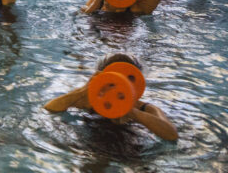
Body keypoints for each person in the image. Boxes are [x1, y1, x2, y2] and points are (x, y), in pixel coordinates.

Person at [43, 53, 178, 141]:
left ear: (136, 84)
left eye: (126, 81)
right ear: (103, 79)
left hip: (132, 144)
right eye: (113, 81)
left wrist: (132, 112)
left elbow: (171, 135)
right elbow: (49, 108)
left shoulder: (144, 108)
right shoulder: (87, 100)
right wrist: (83, 91)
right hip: (91, 142)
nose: (119, 87)